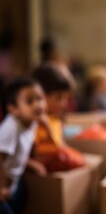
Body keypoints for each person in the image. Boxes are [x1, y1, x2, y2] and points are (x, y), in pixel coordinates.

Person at [0, 77, 47, 213]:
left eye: (40, 98)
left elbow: (20, 151)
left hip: (14, 180)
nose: (38, 105)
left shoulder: (32, 122)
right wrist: (1, 187)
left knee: (22, 196)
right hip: (3, 181)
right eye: (29, 101)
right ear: (14, 109)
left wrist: (31, 163)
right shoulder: (11, 128)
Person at [32, 64, 84, 171]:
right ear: (41, 95)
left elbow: (60, 145)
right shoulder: (32, 123)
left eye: (66, 98)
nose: (64, 104)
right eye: (59, 98)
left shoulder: (55, 120)